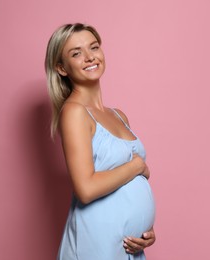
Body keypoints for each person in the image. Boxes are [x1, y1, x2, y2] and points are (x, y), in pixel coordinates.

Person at [45, 23, 156, 259]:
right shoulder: (74, 112)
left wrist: (145, 229)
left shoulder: (118, 115)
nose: (89, 57)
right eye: (76, 53)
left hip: (128, 247)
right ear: (61, 68)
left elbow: (126, 185)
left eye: (93, 47)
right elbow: (86, 189)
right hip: (97, 241)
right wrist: (137, 166)